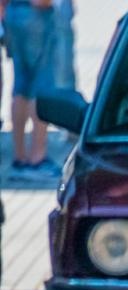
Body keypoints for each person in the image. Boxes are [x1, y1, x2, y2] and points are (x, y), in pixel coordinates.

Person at [3, 0, 59, 174]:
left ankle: (19, 157)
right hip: (36, 15)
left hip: (13, 12)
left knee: (21, 86)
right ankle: (37, 157)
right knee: (41, 86)